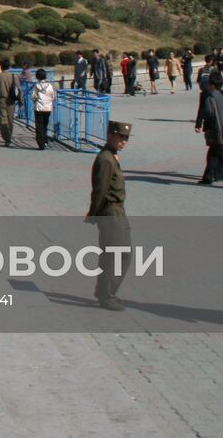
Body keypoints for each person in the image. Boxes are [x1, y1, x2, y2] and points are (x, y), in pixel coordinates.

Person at [86, 121, 132, 310]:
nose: (123, 141)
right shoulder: (106, 159)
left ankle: (103, 291)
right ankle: (107, 296)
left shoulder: (112, 156)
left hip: (118, 211)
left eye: (126, 138)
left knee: (119, 254)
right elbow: (100, 190)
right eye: (120, 137)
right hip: (110, 212)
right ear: (110, 135)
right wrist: (95, 214)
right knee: (116, 256)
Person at [0, 60, 18, 147]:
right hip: (11, 100)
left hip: (1, 99)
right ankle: (9, 136)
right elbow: (18, 89)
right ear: (9, 67)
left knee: (2, 119)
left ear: (0, 66)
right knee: (10, 119)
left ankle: (6, 138)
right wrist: (21, 101)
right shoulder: (13, 76)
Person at [31, 68, 56, 150]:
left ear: (37, 77)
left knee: (39, 126)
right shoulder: (50, 85)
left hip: (39, 107)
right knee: (45, 125)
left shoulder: (36, 86)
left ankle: (41, 143)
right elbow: (53, 96)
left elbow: (33, 97)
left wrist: (35, 101)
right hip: (48, 107)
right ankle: (45, 141)